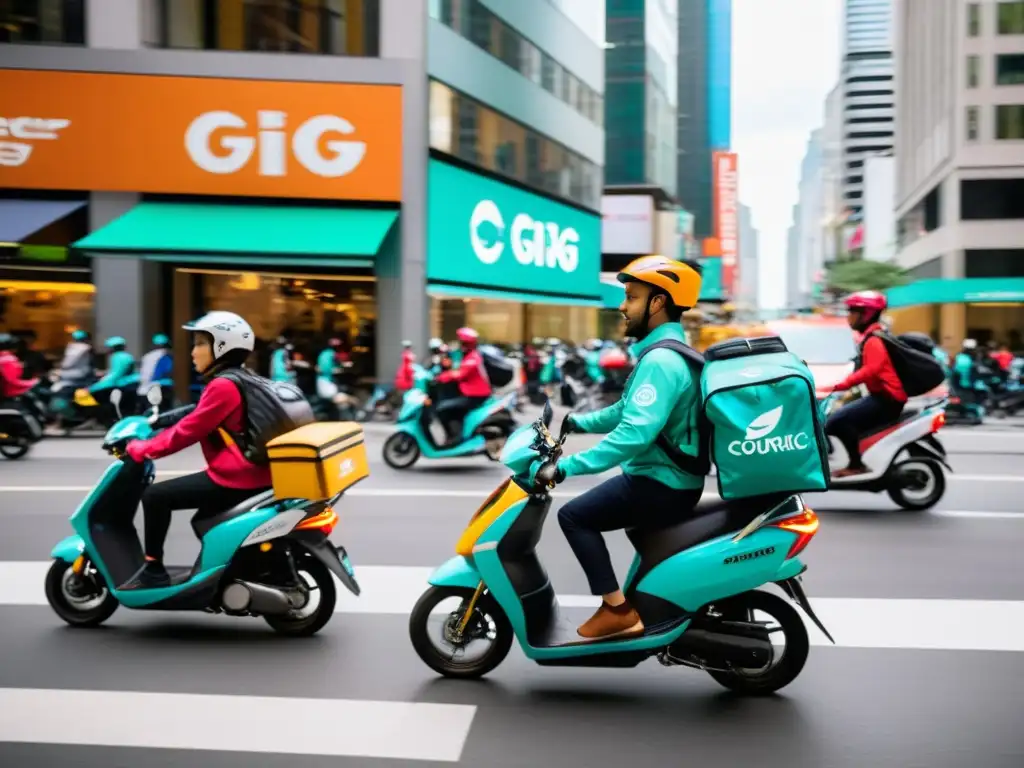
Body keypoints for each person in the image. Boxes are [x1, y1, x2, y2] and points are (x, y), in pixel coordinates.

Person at [537, 255, 706, 641]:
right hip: (672, 479)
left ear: (658, 303)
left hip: (660, 482)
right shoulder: (669, 353)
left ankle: (617, 610)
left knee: (575, 517)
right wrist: (578, 422)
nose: (622, 306)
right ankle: (645, 604)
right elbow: (625, 410)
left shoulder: (661, 361)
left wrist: (566, 467)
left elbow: (634, 434)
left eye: (631, 297)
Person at [118, 311, 273, 590]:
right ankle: (223, 574)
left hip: (237, 477)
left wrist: (144, 448)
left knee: (155, 496)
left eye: (200, 343)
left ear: (221, 347)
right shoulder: (240, 378)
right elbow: (198, 412)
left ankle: (153, 570)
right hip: (255, 472)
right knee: (203, 521)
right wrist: (158, 420)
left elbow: (188, 431)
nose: (193, 352)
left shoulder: (224, 385)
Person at [825, 291, 907, 478]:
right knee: (839, 415)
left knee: (835, 422)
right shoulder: (873, 336)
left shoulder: (874, 340)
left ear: (867, 314)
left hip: (887, 399)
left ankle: (856, 465)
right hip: (881, 396)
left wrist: (839, 385)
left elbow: (871, 370)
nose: (848, 317)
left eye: (852, 312)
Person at [434, 327, 492, 445]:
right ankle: (457, 434)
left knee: (442, 409)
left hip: (475, 396)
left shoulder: (473, 357)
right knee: (450, 408)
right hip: (469, 393)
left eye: (463, 342)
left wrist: (442, 377)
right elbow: (457, 369)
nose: (461, 345)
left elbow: (460, 374)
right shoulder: (468, 355)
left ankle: (454, 437)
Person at [0, 333, 39, 400]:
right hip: (9, 398)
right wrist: (34, 383)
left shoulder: (5, 358)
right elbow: (11, 383)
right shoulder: (7, 359)